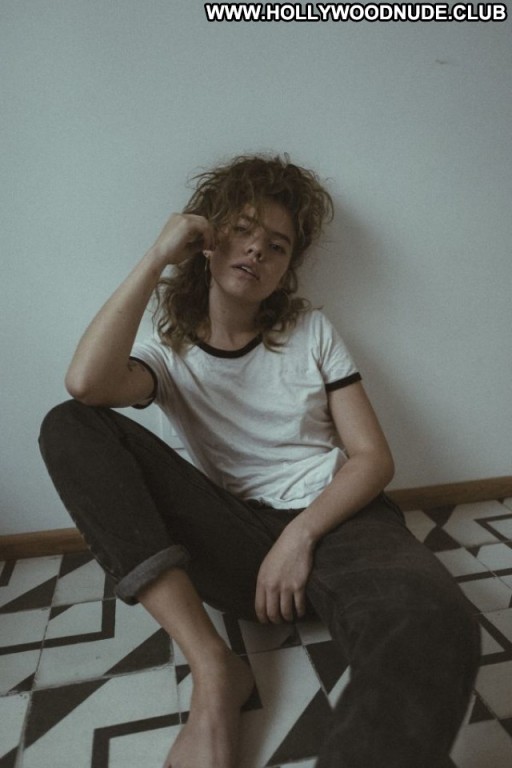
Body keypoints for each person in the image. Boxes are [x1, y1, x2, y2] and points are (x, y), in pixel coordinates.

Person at [39, 154, 480, 768]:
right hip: (236, 542)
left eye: (277, 246)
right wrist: (157, 256)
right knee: (70, 425)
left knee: (437, 625)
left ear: (286, 269)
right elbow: (86, 384)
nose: (256, 251)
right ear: (207, 241)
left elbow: (373, 458)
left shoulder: (311, 330)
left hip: (340, 522)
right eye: (242, 231)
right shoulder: (167, 351)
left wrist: (300, 536)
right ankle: (214, 669)